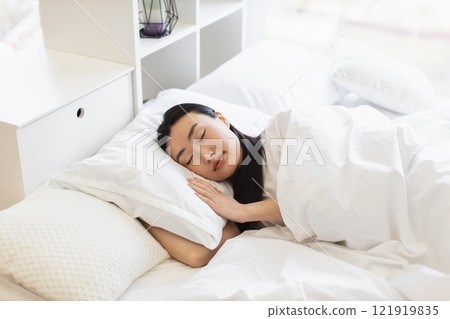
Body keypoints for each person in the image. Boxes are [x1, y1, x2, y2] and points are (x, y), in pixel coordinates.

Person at [138, 103, 283, 268]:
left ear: (222, 119)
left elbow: (312, 199)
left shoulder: (282, 132)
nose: (206, 155)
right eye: (190, 158)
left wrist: (243, 212)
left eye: (202, 136)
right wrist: (144, 216)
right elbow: (198, 255)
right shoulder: (227, 204)